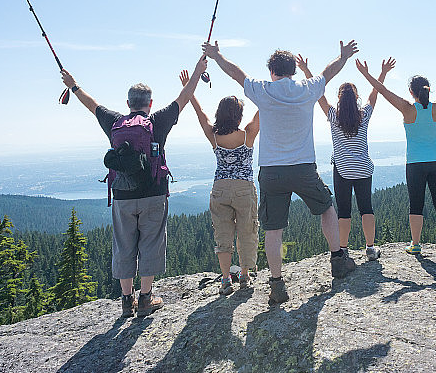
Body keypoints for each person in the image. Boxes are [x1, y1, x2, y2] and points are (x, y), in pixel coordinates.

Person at [202, 40, 359, 305]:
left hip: (272, 170)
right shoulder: (307, 89)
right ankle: (338, 260)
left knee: (273, 229)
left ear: (272, 71)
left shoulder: (263, 90)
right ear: (294, 70)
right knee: (326, 208)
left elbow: (236, 73)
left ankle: (277, 285)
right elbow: (329, 73)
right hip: (303, 166)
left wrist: (216, 56)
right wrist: (343, 57)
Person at [60, 54, 208, 318]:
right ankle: (146, 299)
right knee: (151, 242)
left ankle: (126, 302)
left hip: (122, 195)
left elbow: (91, 104)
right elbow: (184, 97)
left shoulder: (114, 122)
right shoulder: (157, 122)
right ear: (150, 104)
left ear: (128, 104)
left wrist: (73, 85)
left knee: (124, 244)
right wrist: (199, 69)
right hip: (153, 193)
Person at [355, 56, 436, 255]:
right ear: (428, 89)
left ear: (411, 91)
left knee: (416, 203)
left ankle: (415, 245)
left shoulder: (407, 109)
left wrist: (365, 73)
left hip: (415, 163)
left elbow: (383, 91)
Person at [296, 55, 395, 261]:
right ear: (356, 98)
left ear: (340, 98)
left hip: (342, 168)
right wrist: (382, 73)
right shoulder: (364, 115)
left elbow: (318, 94)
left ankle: (343, 248)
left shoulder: (334, 116)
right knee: (366, 207)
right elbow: (374, 95)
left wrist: (306, 70)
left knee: (344, 210)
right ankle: (370, 248)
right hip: (363, 169)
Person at [179, 69, 260, 295]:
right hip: (244, 188)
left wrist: (189, 89)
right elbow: (263, 109)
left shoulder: (213, 135)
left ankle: (225, 280)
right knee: (247, 231)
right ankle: (244, 275)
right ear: (238, 115)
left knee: (223, 235)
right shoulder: (247, 134)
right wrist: (267, 92)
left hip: (220, 188)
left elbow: (200, 113)